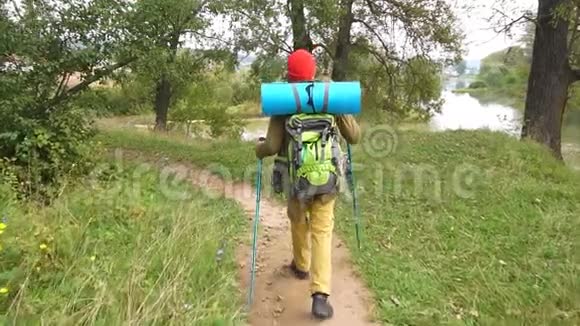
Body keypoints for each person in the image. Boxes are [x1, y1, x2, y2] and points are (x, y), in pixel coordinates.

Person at [255, 49, 361, 320]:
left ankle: (301, 265)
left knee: (298, 221)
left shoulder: (285, 103)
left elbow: (272, 146)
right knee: (323, 231)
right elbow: (354, 137)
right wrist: (341, 111)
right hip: (328, 180)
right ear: (313, 72)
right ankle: (320, 295)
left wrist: (259, 150)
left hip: (296, 181)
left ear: (289, 76)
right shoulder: (328, 98)